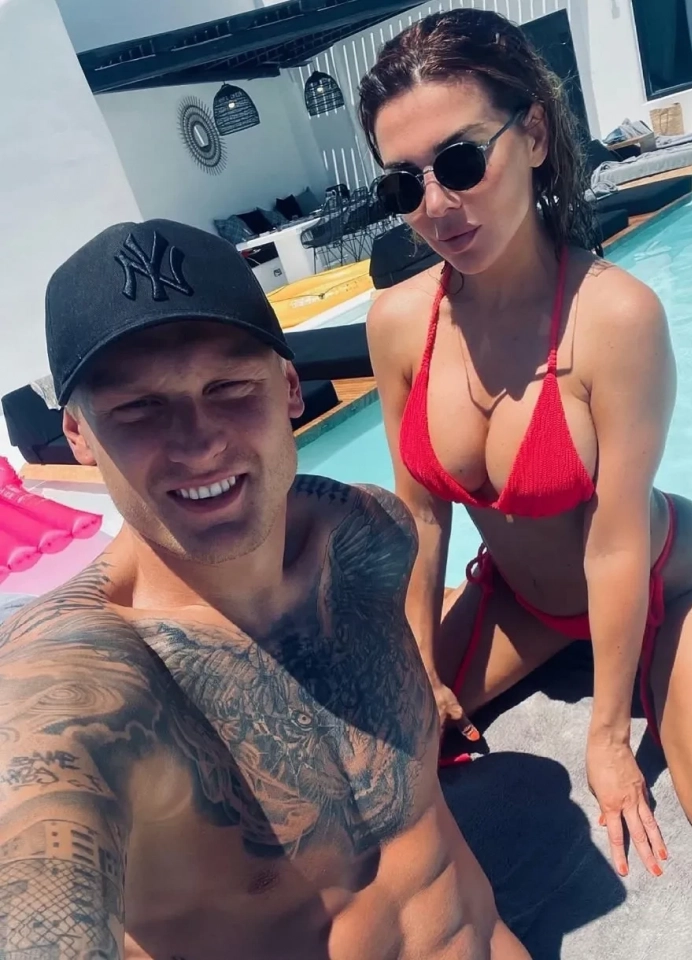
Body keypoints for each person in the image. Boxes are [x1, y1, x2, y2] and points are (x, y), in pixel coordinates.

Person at [361, 8, 692, 883]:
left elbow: (616, 545)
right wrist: (416, 670)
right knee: (369, 764)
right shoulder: (397, 326)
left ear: (534, 134)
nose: (437, 206)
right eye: (403, 186)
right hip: (524, 602)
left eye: (460, 162)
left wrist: (608, 737)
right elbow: (420, 519)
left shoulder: (615, 318)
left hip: (661, 578)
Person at [0, 219, 529, 960]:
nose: (200, 442)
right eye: (138, 408)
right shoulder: (76, 680)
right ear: (79, 435)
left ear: (287, 387)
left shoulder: (369, 534)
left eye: (228, 387)